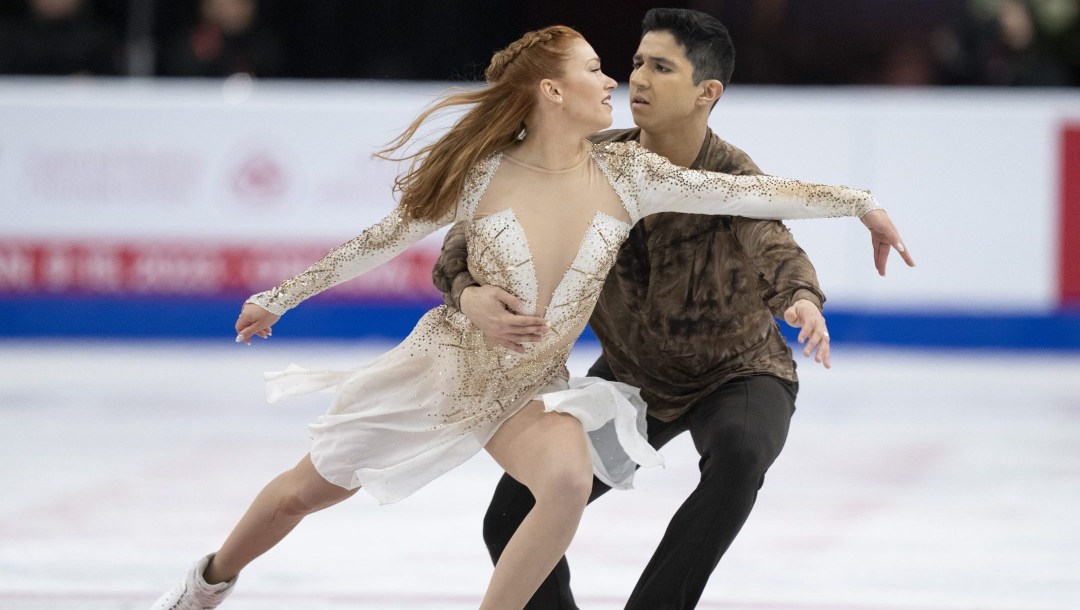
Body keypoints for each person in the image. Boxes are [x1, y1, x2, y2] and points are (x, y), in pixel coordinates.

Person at [151, 23, 895, 610]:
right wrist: (280, 297)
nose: (614, 81)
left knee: (567, 480)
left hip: (525, 391)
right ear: (551, 91)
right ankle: (209, 580)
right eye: (596, 69)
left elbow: (754, 200)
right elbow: (383, 242)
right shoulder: (483, 176)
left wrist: (860, 204)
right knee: (300, 495)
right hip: (443, 371)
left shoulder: (629, 173)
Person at [432, 9, 915, 610]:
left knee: (739, 454)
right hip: (634, 383)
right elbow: (471, 233)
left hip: (737, 374)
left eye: (661, 67)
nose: (638, 77)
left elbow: (774, 245)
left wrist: (800, 299)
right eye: (636, 62)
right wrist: (467, 290)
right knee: (510, 518)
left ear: (706, 93)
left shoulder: (730, 175)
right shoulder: (590, 162)